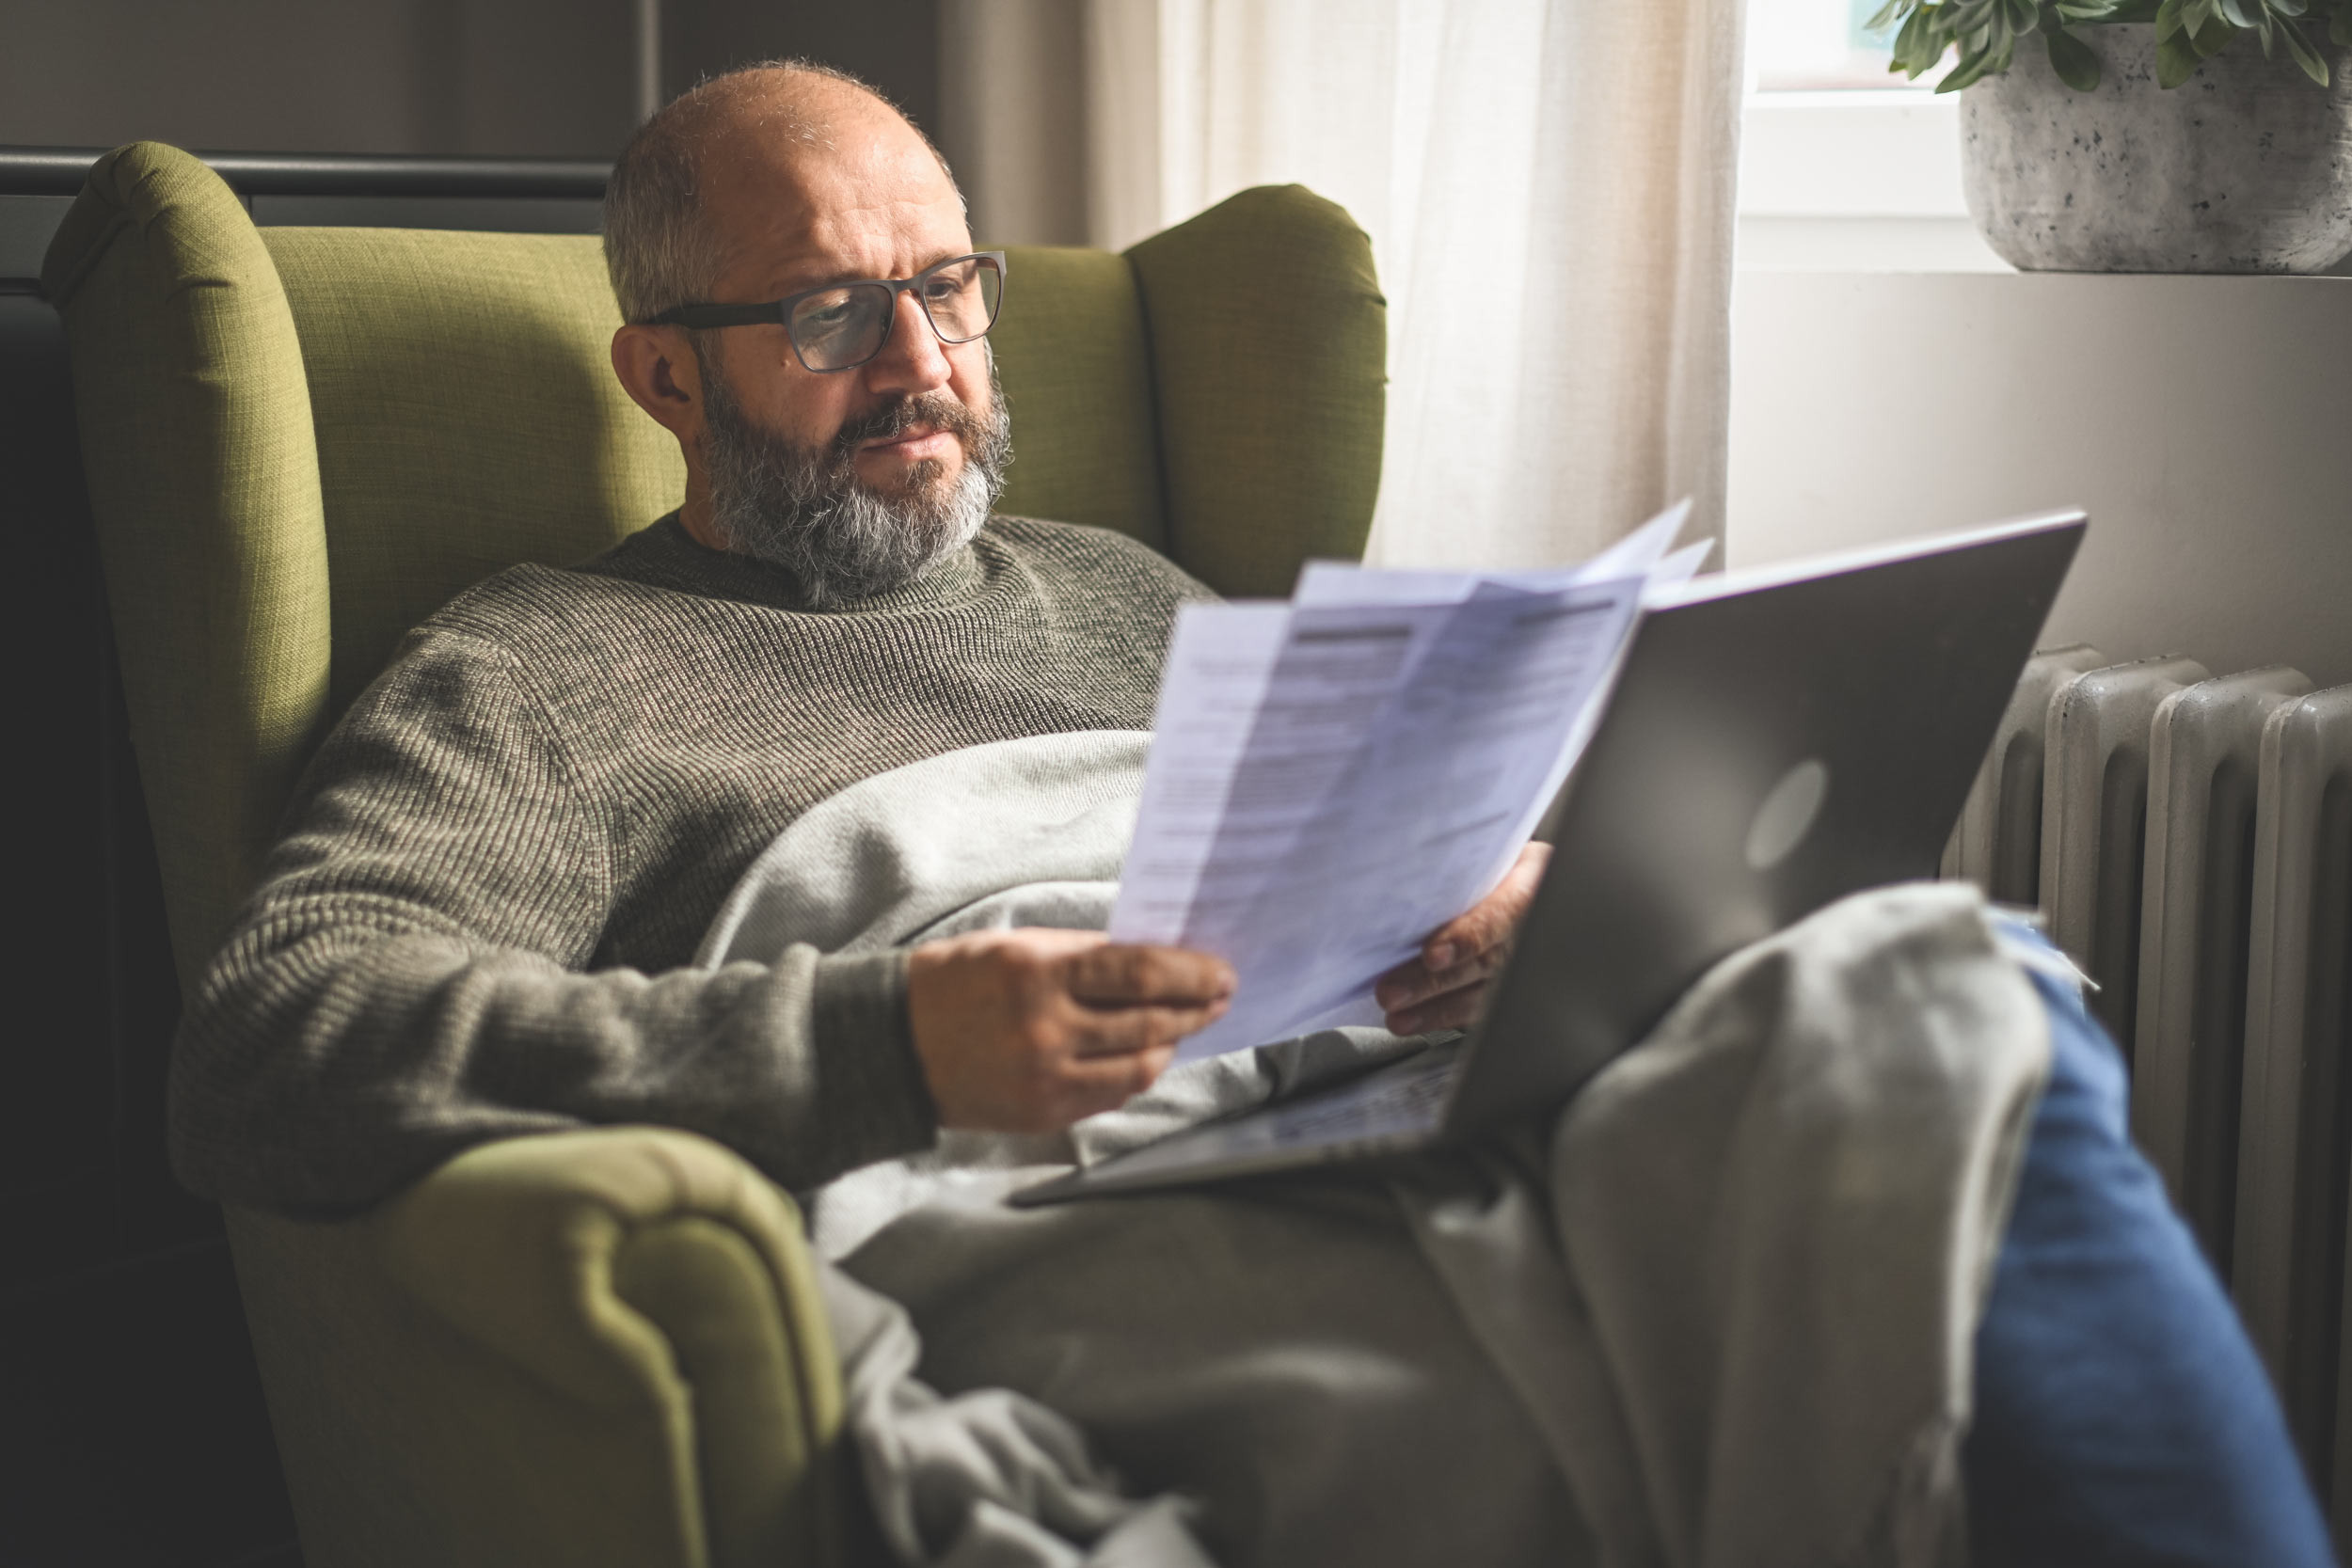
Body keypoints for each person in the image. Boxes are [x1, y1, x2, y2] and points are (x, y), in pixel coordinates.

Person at [169, 62, 2334, 1568]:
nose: (920, 360)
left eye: (947, 286)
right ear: (664, 374)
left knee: (1927, 977)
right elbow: (277, 1044)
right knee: (1510, 1423)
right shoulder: (535, 666)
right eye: (830, 309)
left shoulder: (1118, 584)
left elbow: (1350, 851)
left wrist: (1522, 897)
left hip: (1386, 1071)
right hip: (1029, 1165)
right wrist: (881, 1044)